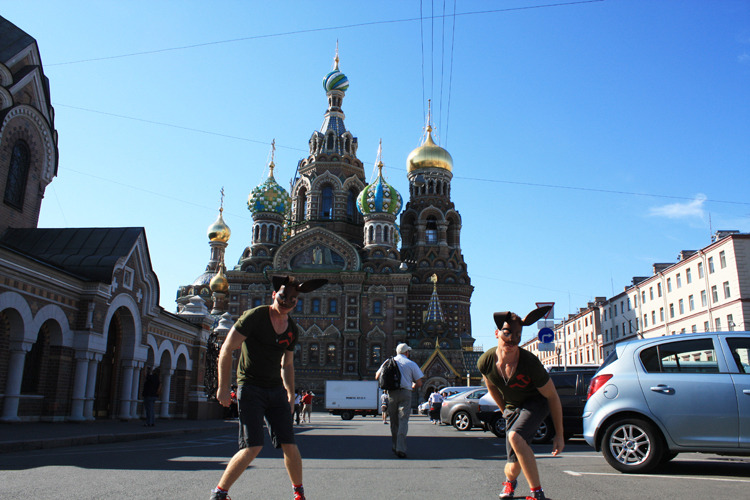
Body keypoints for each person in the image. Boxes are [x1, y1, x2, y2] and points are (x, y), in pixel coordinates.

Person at [211, 275, 327, 500]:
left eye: (293, 299)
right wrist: (223, 387)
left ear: (297, 302)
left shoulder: (292, 328)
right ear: (274, 295)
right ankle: (220, 492)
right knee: (252, 446)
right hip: (251, 386)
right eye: (283, 296)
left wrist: (291, 393)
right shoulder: (255, 316)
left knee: (289, 444)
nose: (287, 301)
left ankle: (299, 493)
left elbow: (288, 364)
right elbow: (226, 348)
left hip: (275, 390)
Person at [477, 306, 564, 500]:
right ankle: (510, 482)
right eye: (507, 334)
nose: (512, 340)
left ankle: (537, 493)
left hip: (536, 403)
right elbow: (491, 387)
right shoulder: (486, 361)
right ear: (497, 333)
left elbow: (552, 396)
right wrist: (504, 411)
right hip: (512, 408)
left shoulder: (529, 363)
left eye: (518, 335)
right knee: (512, 465)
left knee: (515, 437)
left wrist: (559, 434)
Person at [375, 343, 424, 458]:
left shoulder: (388, 362)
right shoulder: (411, 364)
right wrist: (412, 386)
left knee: (394, 421)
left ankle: (394, 445)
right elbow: (420, 383)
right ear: (407, 353)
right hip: (405, 393)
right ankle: (400, 448)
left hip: (391, 393)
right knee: (403, 420)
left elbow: (377, 376)